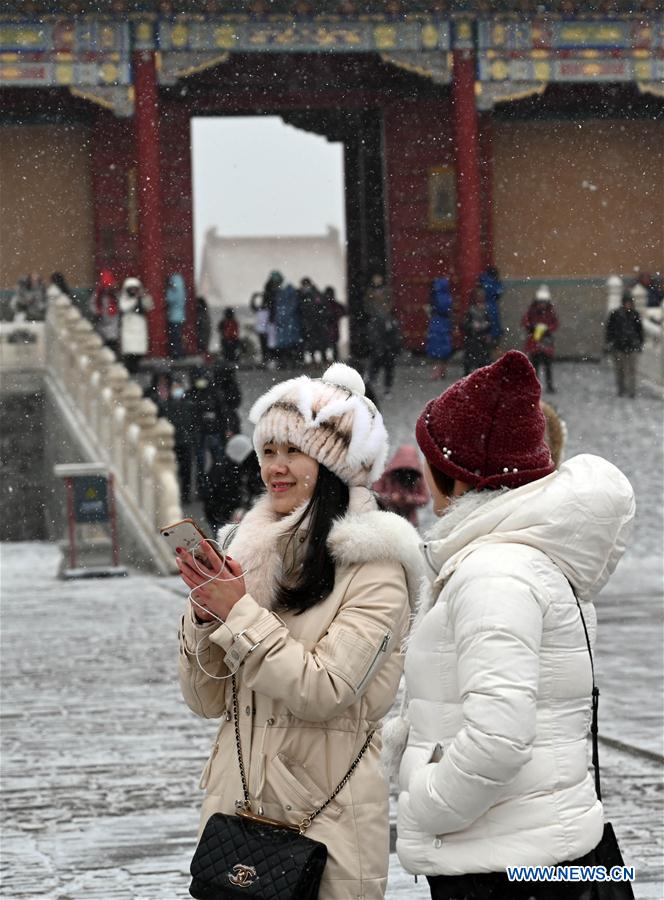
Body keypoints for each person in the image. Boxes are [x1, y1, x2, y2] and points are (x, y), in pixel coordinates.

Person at [176, 363, 423, 899]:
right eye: (268, 452)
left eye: (293, 451)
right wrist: (204, 617)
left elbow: (326, 690)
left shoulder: (375, 565)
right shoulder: (248, 550)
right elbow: (204, 699)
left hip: (325, 824)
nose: (275, 469)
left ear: (333, 464)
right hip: (236, 818)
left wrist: (238, 613)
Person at [394, 350, 635, 900]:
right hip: (537, 853)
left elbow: (498, 738)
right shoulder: (522, 559)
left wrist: (425, 799)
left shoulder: (494, 573)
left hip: (502, 867)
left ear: (452, 475)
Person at [202, 433, 254, 532]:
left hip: (225, 514)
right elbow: (213, 500)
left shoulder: (229, 467)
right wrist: (232, 513)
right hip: (221, 518)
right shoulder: (223, 473)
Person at [372, 445, 429, 526]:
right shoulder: (387, 475)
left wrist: (411, 499)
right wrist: (391, 498)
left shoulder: (417, 477)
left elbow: (425, 498)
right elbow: (375, 494)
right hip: (387, 518)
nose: (405, 472)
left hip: (408, 520)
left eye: (409, 469)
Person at [160, 376, 195, 503]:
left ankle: (185, 494)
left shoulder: (189, 404)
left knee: (186, 471)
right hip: (172, 443)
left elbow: (194, 423)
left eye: (178, 387)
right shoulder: (166, 405)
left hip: (185, 442)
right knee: (173, 470)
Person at [605, 291, 644, 399]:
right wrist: (610, 342)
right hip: (618, 346)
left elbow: (640, 331)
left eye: (629, 303)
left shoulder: (635, 314)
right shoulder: (615, 314)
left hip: (632, 346)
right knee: (620, 370)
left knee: (632, 370)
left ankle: (632, 390)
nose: (628, 305)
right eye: (626, 303)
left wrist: (640, 343)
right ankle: (621, 388)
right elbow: (609, 330)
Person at [522, 284, 559, 393]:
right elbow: (525, 321)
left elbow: (555, 323)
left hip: (545, 341)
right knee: (535, 366)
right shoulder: (531, 311)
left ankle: (549, 385)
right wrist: (532, 327)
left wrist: (547, 329)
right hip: (535, 342)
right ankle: (535, 386)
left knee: (547, 365)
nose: (542, 304)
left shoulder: (550, 311)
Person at [118, 276, 153, 375]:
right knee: (129, 355)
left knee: (138, 354)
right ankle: (130, 370)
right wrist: (136, 300)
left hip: (139, 329)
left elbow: (149, 306)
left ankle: (135, 369)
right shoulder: (124, 299)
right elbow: (124, 307)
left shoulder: (142, 298)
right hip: (129, 329)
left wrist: (143, 297)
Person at [367, 306, 403, 400]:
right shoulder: (377, 321)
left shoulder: (391, 320)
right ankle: (370, 389)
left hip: (388, 351)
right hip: (381, 350)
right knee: (375, 370)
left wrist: (395, 348)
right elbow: (374, 335)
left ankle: (386, 389)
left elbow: (395, 335)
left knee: (387, 371)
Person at [425, 277, 454, 380]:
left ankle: (436, 372)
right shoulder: (448, 296)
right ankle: (442, 371)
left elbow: (440, 309)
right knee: (444, 349)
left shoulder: (436, 296)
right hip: (444, 323)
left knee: (436, 349)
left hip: (437, 323)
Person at [461, 286, 492, 374]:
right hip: (473, 338)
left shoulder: (486, 309)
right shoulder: (471, 310)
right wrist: (472, 326)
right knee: (471, 359)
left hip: (482, 338)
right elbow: (464, 324)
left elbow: (489, 324)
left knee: (483, 359)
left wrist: (486, 327)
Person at [90, 269, 120, 355]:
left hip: (113, 327)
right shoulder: (99, 295)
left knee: (112, 347)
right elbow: (93, 306)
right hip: (102, 325)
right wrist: (98, 313)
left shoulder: (115, 296)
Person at [478, 266, 504, 354]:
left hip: (483, 314)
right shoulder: (496, 283)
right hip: (492, 310)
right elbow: (498, 294)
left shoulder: (482, 280)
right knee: (494, 340)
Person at [165, 272, 187, 359]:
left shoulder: (174, 291)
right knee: (179, 336)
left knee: (175, 337)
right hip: (180, 315)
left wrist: (168, 289)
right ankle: (180, 352)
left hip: (174, 316)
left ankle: (176, 353)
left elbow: (169, 299)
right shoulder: (182, 290)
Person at [323, 286, 346, 361]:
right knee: (331, 345)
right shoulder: (333, 304)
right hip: (330, 326)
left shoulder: (327, 304)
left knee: (331, 345)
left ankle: (330, 360)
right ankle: (332, 360)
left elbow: (343, 311)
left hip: (331, 326)